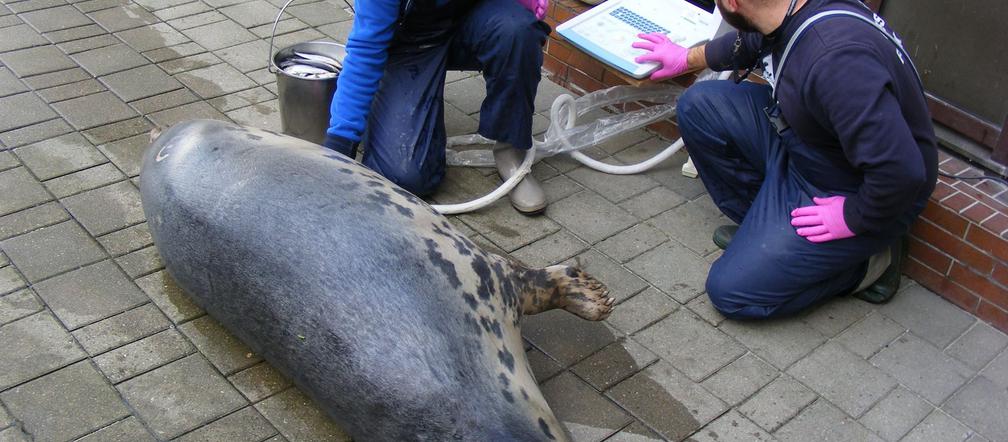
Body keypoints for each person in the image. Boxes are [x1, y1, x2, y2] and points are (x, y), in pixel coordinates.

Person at [631, 0, 938, 319]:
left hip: (852, 187)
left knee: (731, 292)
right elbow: (750, 41)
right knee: (699, 107)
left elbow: (902, 173)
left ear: (733, 4)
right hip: (808, 137)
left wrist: (855, 216)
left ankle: (869, 264)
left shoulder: (838, 62)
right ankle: (767, 229)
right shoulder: (784, 9)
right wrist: (686, 57)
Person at [323, 0, 551, 215]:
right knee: (405, 176)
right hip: (410, 41)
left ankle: (510, 154)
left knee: (518, 32)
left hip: (469, 23)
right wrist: (339, 149)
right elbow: (366, 51)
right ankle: (383, 104)